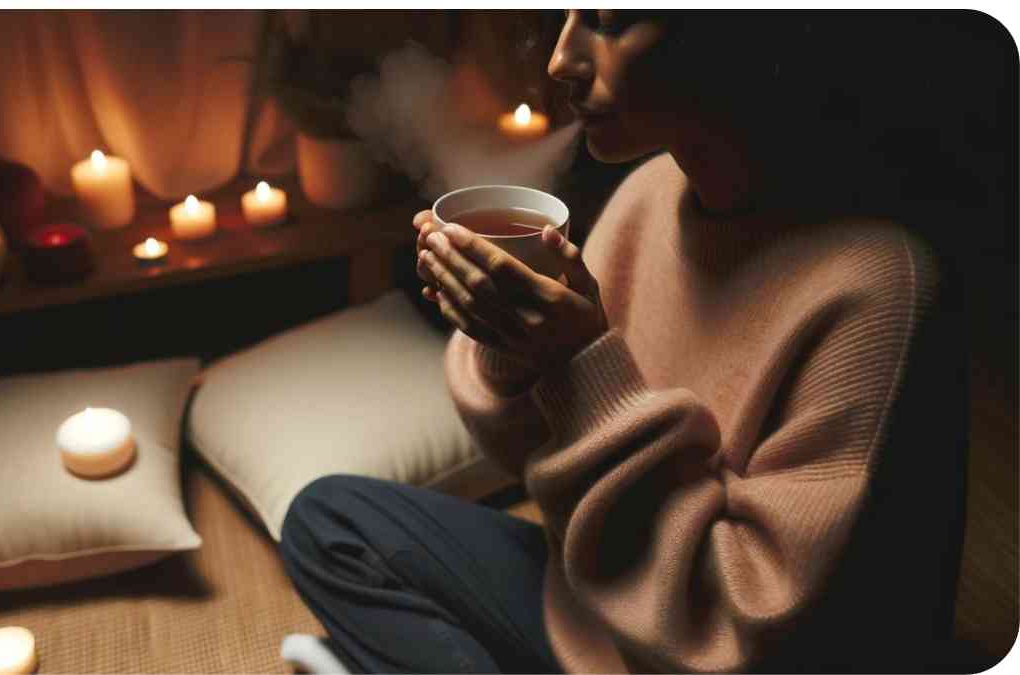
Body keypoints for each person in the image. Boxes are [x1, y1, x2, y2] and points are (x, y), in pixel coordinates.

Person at [280, 10, 967, 673]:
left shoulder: (880, 289)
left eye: (611, 23)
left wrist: (577, 362)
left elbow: (742, 632)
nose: (561, 60)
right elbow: (530, 457)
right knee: (326, 519)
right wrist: (510, 343)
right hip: (588, 603)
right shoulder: (651, 191)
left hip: (695, 651)